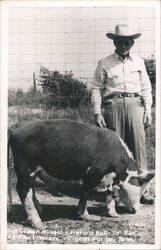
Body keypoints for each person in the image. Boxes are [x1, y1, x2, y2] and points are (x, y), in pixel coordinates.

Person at [91, 24, 154, 204]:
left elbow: (146, 88)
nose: (123, 45)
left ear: (132, 43)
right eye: (120, 42)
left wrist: (147, 111)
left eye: (127, 42)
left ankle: (143, 191)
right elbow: (96, 88)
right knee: (115, 151)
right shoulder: (104, 63)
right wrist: (98, 112)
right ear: (115, 42)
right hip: (114, 104)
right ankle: (115, 193)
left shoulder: (139, 62)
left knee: (139, 148)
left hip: (136, 105)